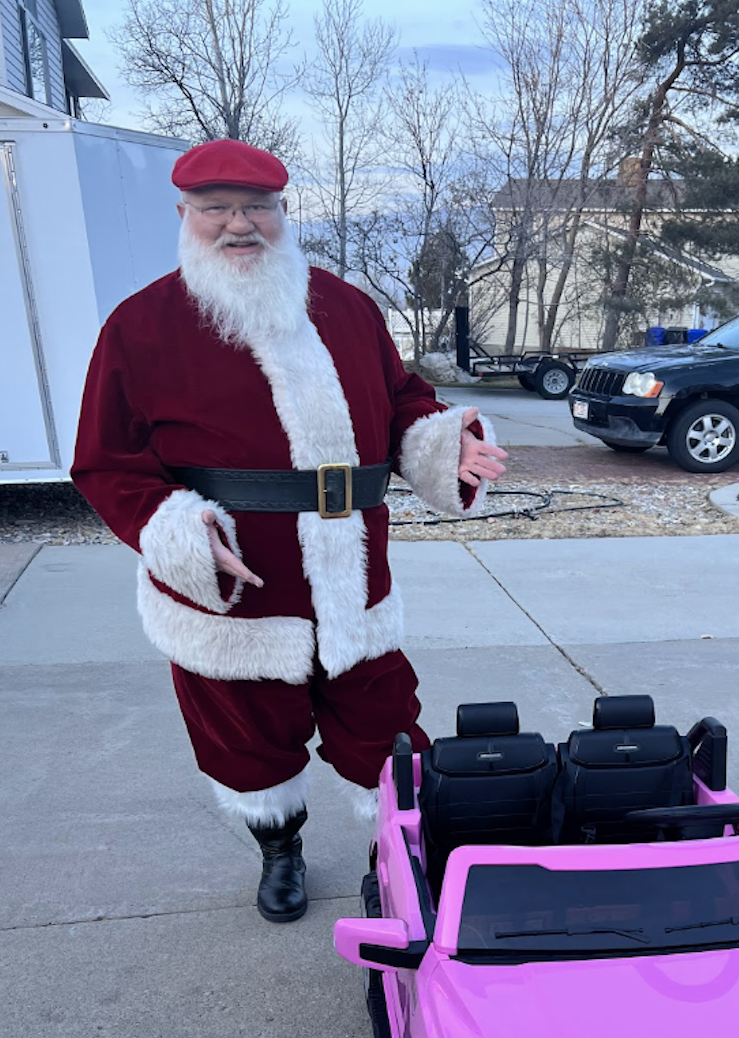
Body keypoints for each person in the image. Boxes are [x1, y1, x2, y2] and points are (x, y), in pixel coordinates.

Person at [72, 139, 507, 923]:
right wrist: (174, 531)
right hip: (235, 591)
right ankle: (280, 849)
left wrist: (446, 444)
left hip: (353, 579)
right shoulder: (139, 327)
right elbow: (106, 464)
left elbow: (404, 397)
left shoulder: (346, 306)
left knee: (387, 728)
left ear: (283, 212)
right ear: (185, 216)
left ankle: (402, 854)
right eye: (216, 209)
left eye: (257, 207)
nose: (239, 225)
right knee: (250, 742)